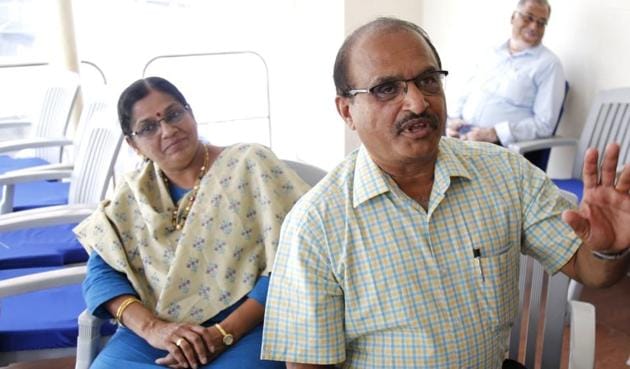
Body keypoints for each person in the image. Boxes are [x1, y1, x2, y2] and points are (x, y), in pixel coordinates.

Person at [261, 17, 630, 369]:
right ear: (347, 112)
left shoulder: (504, 173)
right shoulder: (315, 225)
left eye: (428, 80)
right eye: (387, 89)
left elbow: (592, 272)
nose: (418, 103)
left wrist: (607, 249)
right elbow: (308, 364)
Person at [74, 77, 310, 369]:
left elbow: (297, 258)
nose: (168, 130)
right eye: (148, 127)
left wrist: (223, 333)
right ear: (133, 144)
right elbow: (100, 275)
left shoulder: (249, 164)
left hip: (249, 324)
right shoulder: (133, 193)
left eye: (174, 114)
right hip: (157, 334)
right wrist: (152, 329)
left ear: (191, 113)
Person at [446, 0, 565, 149]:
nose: (534, 26)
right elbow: (465, 93)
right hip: (460, 136)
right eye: (528, 17)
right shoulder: (491, 52)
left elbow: (544, 125)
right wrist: (453, 121)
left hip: (498, 147)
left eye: (541, 23)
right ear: (513, 17)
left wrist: (495, 133)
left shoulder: (549, 64)